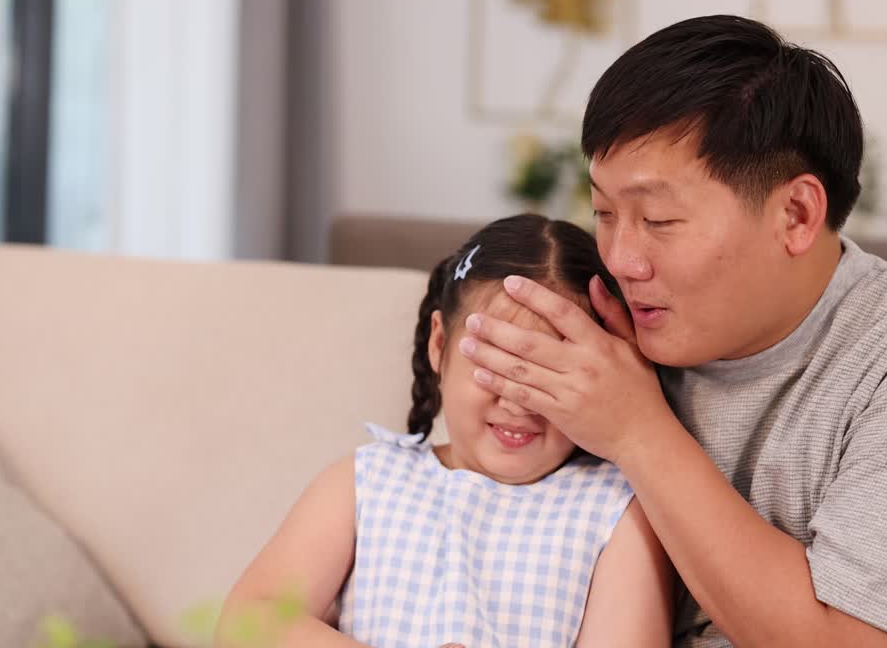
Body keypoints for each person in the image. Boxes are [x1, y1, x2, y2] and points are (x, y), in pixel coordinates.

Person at [459, 16, 887, 647]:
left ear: (797, 215)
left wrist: (638, 431)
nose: (619, 258)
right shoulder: (615, 337)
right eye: (605, 213)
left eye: (660, 220)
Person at [219, 214, 674, 648]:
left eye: (551, 373)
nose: (517, 401)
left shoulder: (616, 510)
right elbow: (248, 621)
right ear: (440, 344)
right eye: (493, 361)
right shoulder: (368, 482)